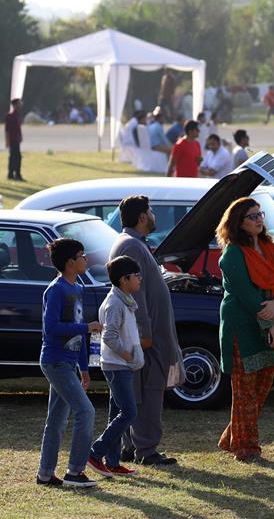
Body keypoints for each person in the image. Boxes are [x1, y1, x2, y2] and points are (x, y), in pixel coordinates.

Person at [216, 197, 274, 461]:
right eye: (252, 216)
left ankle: (232, 437)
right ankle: (246, 448)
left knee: (263, 384)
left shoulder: (268, 247)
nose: (259, 219)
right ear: (238, 223)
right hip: (242, 325)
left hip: (269, 317)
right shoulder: (231, 256)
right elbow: (250, 297)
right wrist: (271, 324)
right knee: (244, 389)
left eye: (259, 214)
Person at [110, 196, 185, 465]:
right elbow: (134, 295)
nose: (154, 215)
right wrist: (143, 333)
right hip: (145, 338)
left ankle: (132, 446)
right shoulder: (130, 245)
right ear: (142, 217)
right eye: (151, 211)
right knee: (148, 393)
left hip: (147, 335)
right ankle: (147, 450)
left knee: (140, 393)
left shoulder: (134, 244)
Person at [36, 238, 103, 488]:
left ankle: (44, 474)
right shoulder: (56, 290)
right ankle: (75, 472)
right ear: (70, 263)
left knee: (56, 420)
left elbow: (79, 333)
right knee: (85, 411)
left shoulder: (78, 287)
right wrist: (87, 327)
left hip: (68, 363)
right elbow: (51, 327)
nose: (86, 259)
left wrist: (84, 369)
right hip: (55, 361)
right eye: (82, 255)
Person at [85, 255, 144, 478]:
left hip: (119, 365)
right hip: (116, 365)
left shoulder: (124, 300)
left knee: (116, 413)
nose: (139, 279)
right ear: (123, 279)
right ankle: (94, 453)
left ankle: (112, 462)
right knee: (129, 412)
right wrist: (128, 355)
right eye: (136, 276)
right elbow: (108, 336)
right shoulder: (115, 303)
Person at [5, 98, 24, 180]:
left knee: (17, 156)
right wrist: (7, 141)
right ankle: (11, 173)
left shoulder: (18, 115)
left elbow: (18, 127)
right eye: (19, 103)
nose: (20, 105)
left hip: (17, 138)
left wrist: (20, 136)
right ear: (15, 105)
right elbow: (7, 129)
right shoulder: (10, 115)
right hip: (12, 139)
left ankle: (16, 173)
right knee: (13, 156)